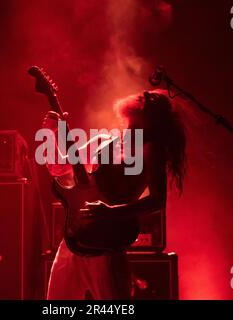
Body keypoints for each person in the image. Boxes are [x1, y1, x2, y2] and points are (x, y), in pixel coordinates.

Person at [44, 89, 187, 299]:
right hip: (74, 238)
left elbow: (157, 200)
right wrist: (54, 133)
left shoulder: (150, 149)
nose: (139, 97)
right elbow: (57, 168)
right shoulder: (104, 140)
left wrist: (111, 212)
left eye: (144, 101)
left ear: (149, 117)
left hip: (107, 245)